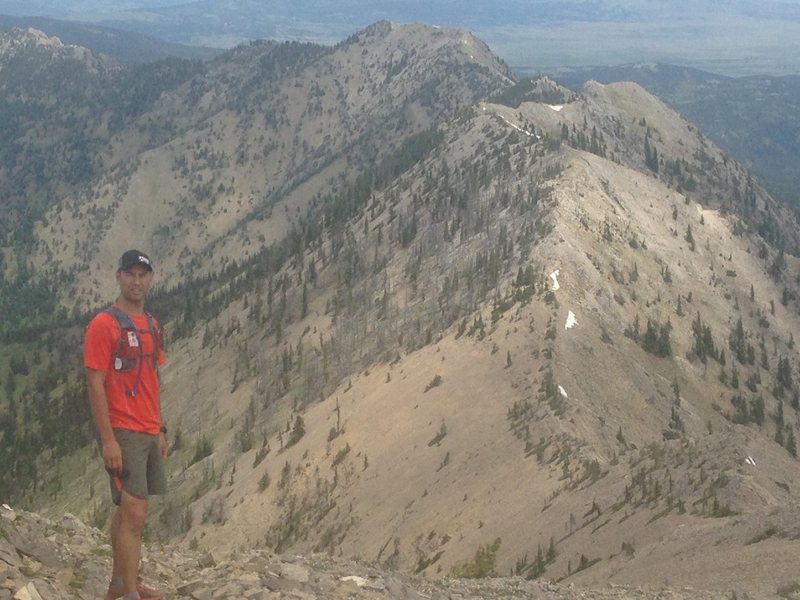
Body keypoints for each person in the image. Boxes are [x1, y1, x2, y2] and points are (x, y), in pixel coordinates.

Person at [84, 250, 167, 600]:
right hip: (124, 430)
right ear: (119, 277)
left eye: (142, 275)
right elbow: (94, 382)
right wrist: (108, 440)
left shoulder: (152, 324)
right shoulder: (105, 323)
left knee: (127, 511)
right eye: (130, 274)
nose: (137, 281)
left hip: (149, 429)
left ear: (150, 279)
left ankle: (120, 584)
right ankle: (130, 592)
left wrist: (162, 428)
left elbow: (153, 375)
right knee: (135, 513)